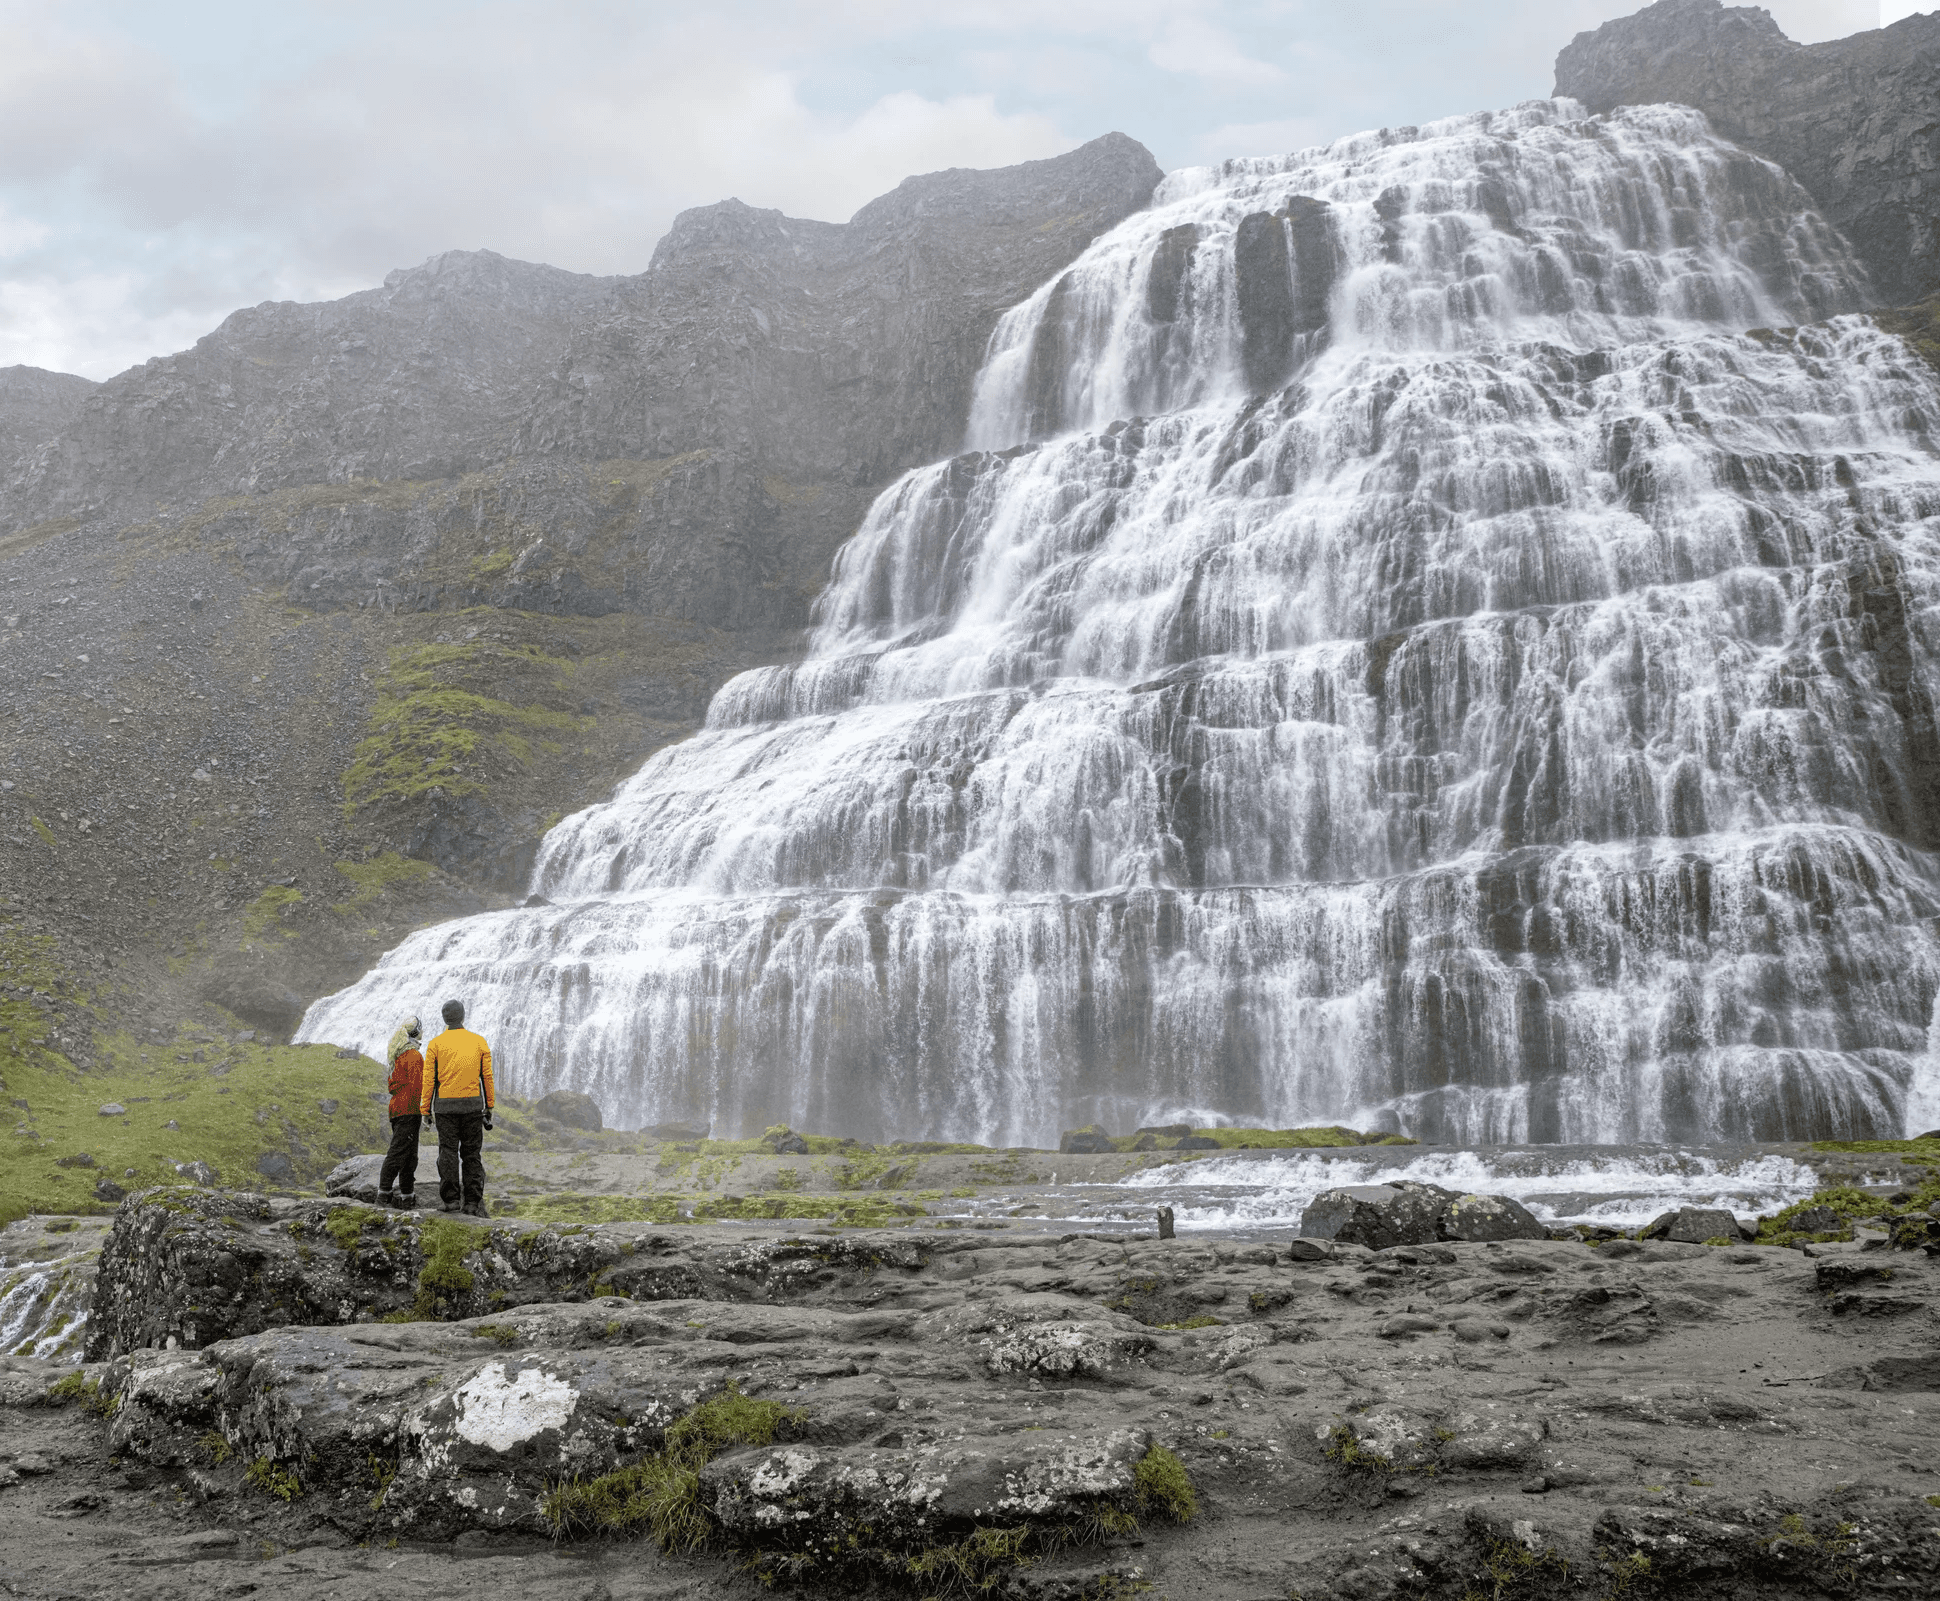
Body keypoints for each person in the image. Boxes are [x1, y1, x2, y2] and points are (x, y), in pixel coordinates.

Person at [422, 998, 495, 1216]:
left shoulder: (435, 1044)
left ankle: (451, 1201)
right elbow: (487, 1077)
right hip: (473, 1106)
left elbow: (429, 1080)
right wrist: (489, 1105)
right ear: (463, 1016)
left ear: (445, 1019)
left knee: (448, 1152)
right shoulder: (479, 1041)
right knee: (472, 1154)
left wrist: (425, 1109)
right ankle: (472, 1203)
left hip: (445, 1108)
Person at [378, 1016, 424, 1209]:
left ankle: (407, 1195)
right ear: (416, 1033)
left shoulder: (397, 1056)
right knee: (400, 1153)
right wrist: (425, 1111)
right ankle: (384, 1194)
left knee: (407, 1154)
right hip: (409, 1110)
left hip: (396, 1109)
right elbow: (417, 1086)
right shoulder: (413, 1056)